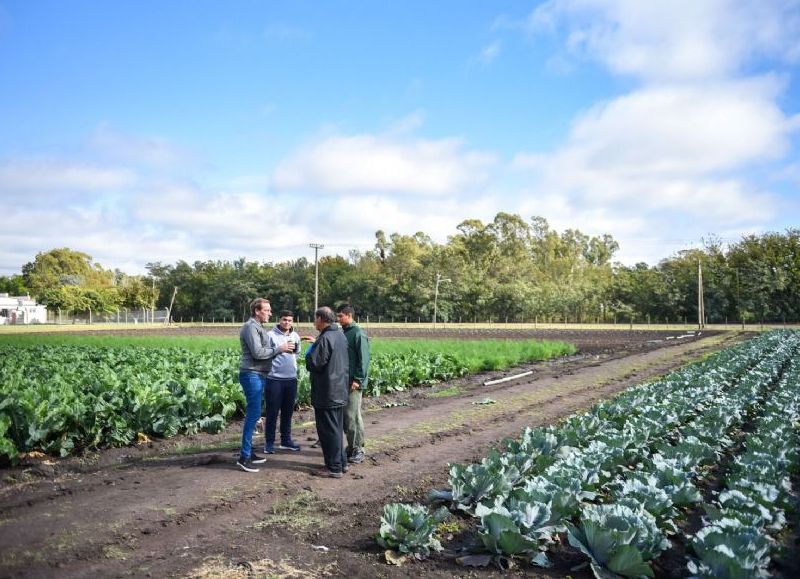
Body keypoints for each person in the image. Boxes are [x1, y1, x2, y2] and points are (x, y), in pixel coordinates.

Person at [237, 298, 291, 473]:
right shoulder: (250, 327)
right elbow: (258, 353)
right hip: (251, 374)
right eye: (267, 310)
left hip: (259, 375)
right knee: (253, 415)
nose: (270, 313)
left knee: (255, 414)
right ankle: (243, 457)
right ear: (257, 311)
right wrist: (279, 349)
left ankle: (249, 452)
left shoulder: (259, 327)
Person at [304, 306, 349, 478]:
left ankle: (333, 468)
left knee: (327, 431)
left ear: (321, 319)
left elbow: (314, 364)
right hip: (339, 390)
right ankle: (342, 463)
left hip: (327, 392)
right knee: (336, 429)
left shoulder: (325, 338)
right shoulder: (339, 335)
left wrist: (310, 351)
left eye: (315, 319)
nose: (314, 322)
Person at [336, 304, 370, 465]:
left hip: (353, 383)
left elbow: (364, 360)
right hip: (344, 381)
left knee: (353, 416)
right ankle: (351, 446)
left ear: (349, 315)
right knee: (346, 416)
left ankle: (358, 449)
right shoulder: (345, 333)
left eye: (340, 316)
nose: (338, 319)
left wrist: (358, 379)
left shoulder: (358, 334)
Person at [263, 310, 302, 454]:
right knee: (272, 413)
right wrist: (279, 350)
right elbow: (265, 355)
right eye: (284, 319)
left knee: (288, 412)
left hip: (291, 380)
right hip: (274, 380)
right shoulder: (270, 335)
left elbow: (297, 354)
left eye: (290, 320)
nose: (287, 323)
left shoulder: (295, 336)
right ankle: (269, 443)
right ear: (279, 320)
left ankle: (286, 440)